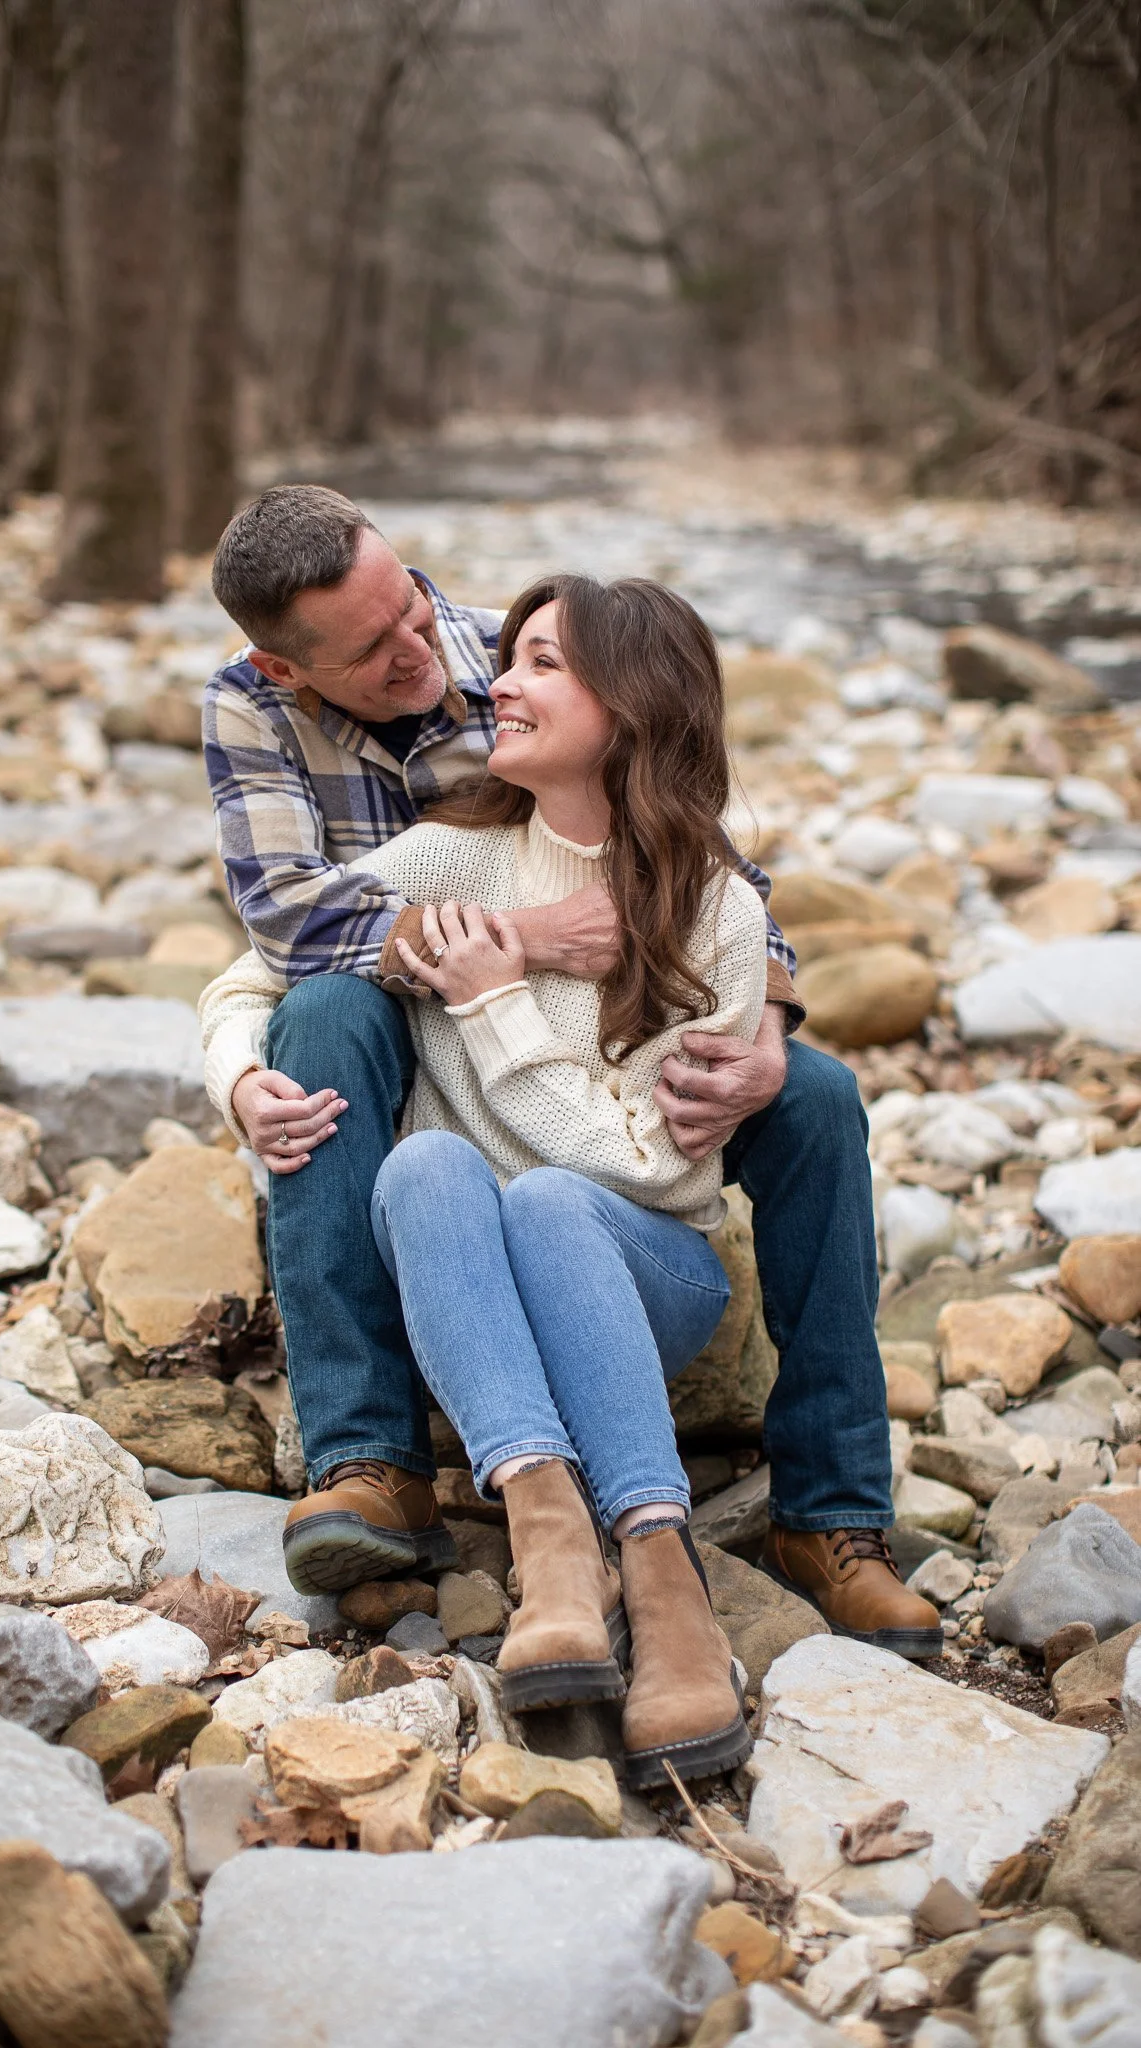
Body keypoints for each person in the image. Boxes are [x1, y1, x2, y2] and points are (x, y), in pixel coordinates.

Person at [199, 484, 941, 1662]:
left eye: (415, 606)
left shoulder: (521, 656)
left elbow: (710, 877)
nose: (433, 655)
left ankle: (833, 1515)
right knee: (332, 1022)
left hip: (611, 1085)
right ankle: (371, 1459)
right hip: (407, 1011)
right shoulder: (261, 714)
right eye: (374, 646)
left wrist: (768, 1026)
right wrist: (500, 960)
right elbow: (280, 937)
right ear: (290, 669)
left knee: (815, 1096)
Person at [205, 574, 769, 1783]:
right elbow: (258, 971)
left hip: (645, 1270)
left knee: (555, 1196)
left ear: (635, 701)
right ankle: (549, 1535)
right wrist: (236, 1075)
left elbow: (641, 1160)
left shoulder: (712, 906)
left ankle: (665, 1574)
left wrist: (496, 1007)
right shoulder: (449, 857)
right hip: (475, 1291)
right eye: (508, 657)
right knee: (423, 1164)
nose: (497, 683)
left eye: (543, 664)